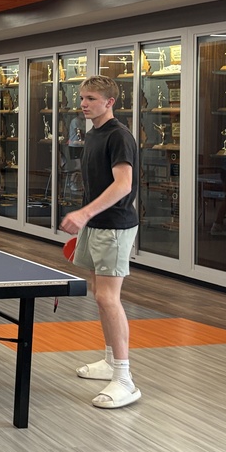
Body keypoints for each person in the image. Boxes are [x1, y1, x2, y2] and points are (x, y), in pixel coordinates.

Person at [59, 75, 140, 409]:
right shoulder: (93, 134)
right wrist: (86, 220)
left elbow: (123, 185)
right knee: (99, 293)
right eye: (82, 98)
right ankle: (109, 360)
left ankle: (124, 379)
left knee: (108, 298)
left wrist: (84, 213)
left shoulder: (119, 136)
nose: (83, 104)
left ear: (110, 102)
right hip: (95, 225)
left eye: (91, 98)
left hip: (114, 226)